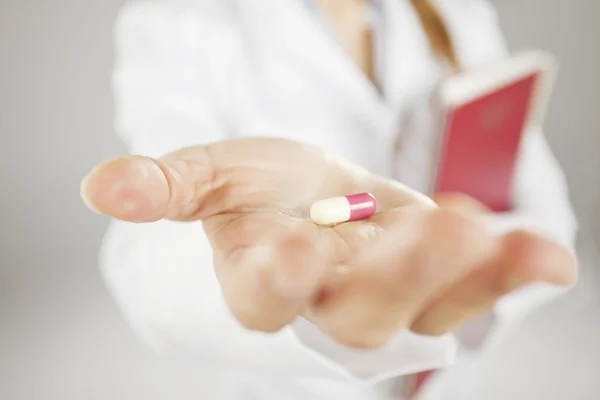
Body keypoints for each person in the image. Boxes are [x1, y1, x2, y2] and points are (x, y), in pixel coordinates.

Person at [80, 0, 579, 399]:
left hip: (455, 380)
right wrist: (258, 279)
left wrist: (464, 276)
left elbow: (545, 212)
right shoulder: (180, 20)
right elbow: (155, 247)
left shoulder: (459, 14)